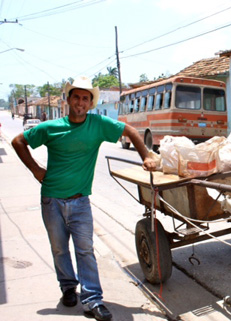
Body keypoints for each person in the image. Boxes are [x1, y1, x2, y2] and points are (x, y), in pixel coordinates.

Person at [11, 76, 157, 321]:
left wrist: (147, 156)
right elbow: (18, 141)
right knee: (59, 249)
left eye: (85, 98)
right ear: (68, 100)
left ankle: (92, 299)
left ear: (90, 103)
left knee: (85, 250)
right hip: (52, 200)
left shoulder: (98, 124)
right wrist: (37, 170)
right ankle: (68, 288)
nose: (80, 102)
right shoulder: (50, 127)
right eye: (76, 97)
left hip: (80, 202)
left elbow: (129, 130)